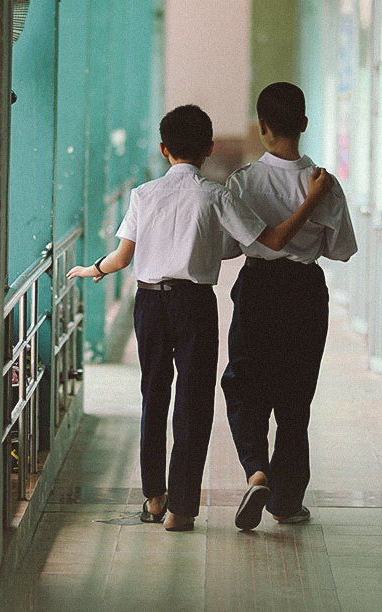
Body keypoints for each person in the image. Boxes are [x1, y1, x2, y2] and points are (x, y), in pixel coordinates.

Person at [68, 104, 333, 532]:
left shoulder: (143, 194)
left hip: (150, 304)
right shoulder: (217, 195)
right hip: (194, 306)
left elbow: (122, 257)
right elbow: (273, 241)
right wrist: (311, 199)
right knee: (192, 405)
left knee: (153, 397)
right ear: (209, 148)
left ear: (162, 149)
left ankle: (154, 498)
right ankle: (182, 510)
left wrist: (92, 269)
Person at [221, 82, 357, 531]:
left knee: (245, 382)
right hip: (304, 291)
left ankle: (256, 470)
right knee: (296, 397)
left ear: (262, 127)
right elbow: (341, 250)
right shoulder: (323, 183)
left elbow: (229, 248)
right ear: (302, 124)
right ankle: (285, 501)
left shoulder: (243, 182)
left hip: (258, 289)